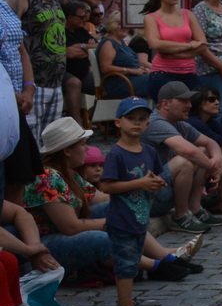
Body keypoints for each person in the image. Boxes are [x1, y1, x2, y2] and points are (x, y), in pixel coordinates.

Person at [28, 116, 197, 281]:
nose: (87, 150)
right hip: (46, 245)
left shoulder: (69, 174)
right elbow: (70, 227)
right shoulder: (48, 178)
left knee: (124, 207)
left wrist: (138, 189)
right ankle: (155, 266)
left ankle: (164, 256)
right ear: (67, 151)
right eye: (83, 144)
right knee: (102, 238)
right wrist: (113, 222)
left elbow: (103, 199)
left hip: (64, 235)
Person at [99, 98, 166, 306]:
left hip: (140, 218)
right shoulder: (116, 154)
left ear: (147, 124)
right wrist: (139, 184)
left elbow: (157, 175)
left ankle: (128, 302)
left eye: (141, 119)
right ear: (118, 122)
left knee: (134, 260)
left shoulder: (148, 151)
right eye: (131, 119)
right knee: (126, 265)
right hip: (121, 220)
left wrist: (157, 183)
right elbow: (106, 186)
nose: (136, 123)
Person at [3, 0, 69, 142]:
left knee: (50, 151)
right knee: (31, 150)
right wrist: (25, 87)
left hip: (54, 84)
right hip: (30, 88)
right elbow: (8, 43)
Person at [143, 82, 222, 234]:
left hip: (165, 189)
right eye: (184, 101)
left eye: (189, 101)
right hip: (149, 197)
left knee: (203, 151)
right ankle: (181, 215)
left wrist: (216, 159)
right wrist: (212, 169)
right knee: (185, 161)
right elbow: (188, 152)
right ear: (166, 104)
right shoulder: (156, 123)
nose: (189, 105)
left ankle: (194, 208)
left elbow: (210, 143)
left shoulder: (179, 123)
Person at [141, 0, 206, 104]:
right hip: (163, 73)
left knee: (199, 108)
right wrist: (189, 46)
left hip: (189, 72)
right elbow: (156, 44)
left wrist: (177, 53)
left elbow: (202, 44)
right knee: (169, 111)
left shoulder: (188, 14)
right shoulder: (151, 18)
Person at [95, 15, 148, 101]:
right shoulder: (108, 43)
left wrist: (143, 69)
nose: (126, 28)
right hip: (120, 83)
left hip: (131, 79)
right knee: (156, 79)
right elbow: (105, 68)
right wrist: (130, 70)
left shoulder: (121, 42)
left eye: (127, 25)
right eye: (122, 24)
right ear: (113, 25)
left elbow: (130, 63)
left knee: (159, 77)